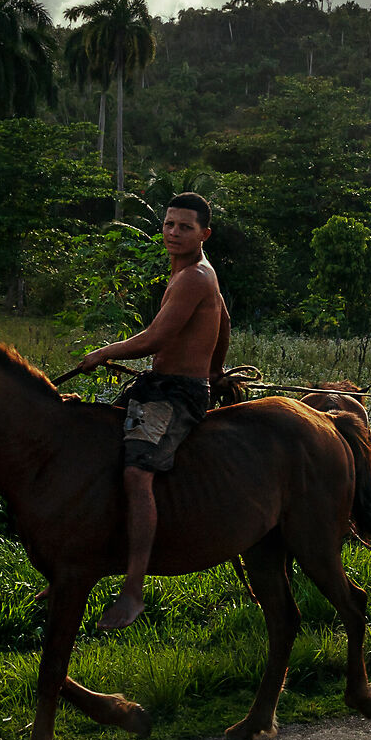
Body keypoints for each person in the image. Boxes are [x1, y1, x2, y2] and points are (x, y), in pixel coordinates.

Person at [69, 192, 229, 629]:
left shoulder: (196, 276)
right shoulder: (185, 272)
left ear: (204, 234)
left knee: (137, 474)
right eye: (168, 225)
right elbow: (224, 320)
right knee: (98, 445)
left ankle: (134, 590)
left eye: (185, 227)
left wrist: (104, 352)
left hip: (175, 395)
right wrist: (216, 372)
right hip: (159, 384)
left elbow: (156, 338)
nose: (173, 233)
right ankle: (81, 567)